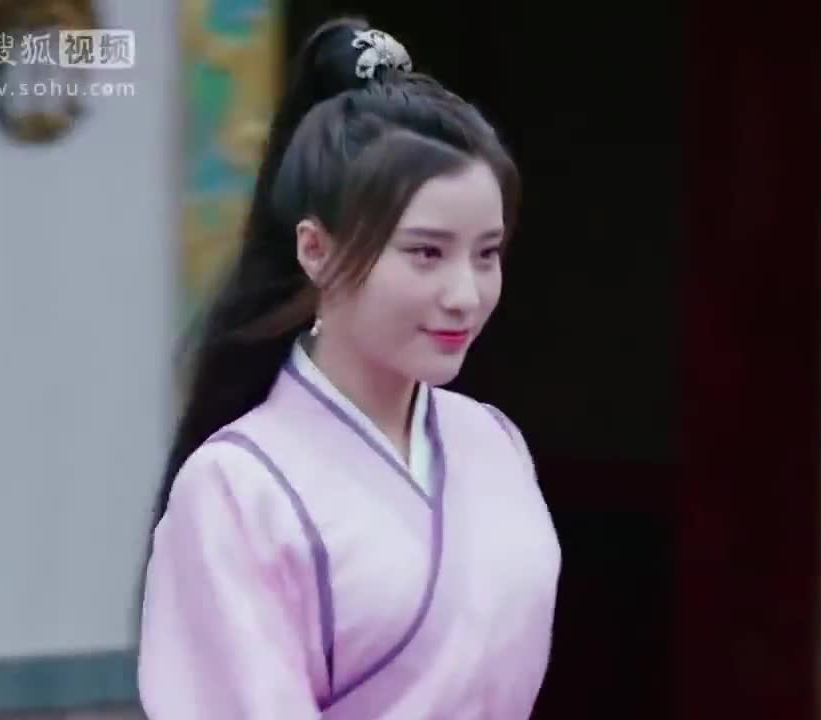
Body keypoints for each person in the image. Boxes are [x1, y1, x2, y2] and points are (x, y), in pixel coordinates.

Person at [137, 18, 560, 719]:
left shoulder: (493, 443)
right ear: (316, 250)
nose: (465, 293)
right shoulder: (238, 487)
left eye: (486, 254)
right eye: (426, 253)